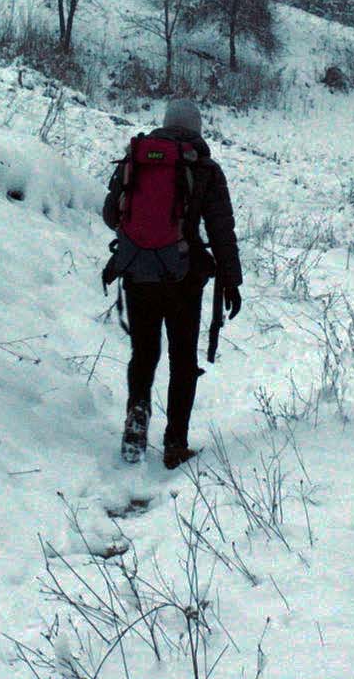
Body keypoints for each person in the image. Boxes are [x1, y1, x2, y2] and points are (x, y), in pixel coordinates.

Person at [102, 99, 242, 468]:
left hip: (137, 272)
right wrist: (232, 280)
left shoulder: (138, 158)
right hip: (183, 278)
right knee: (182, 358)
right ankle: (175, 443)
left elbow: (109, 214)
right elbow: (221, 230)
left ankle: (137, 414)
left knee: (144, 352)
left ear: (164, 124)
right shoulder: (205, 168)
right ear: (196, 129)